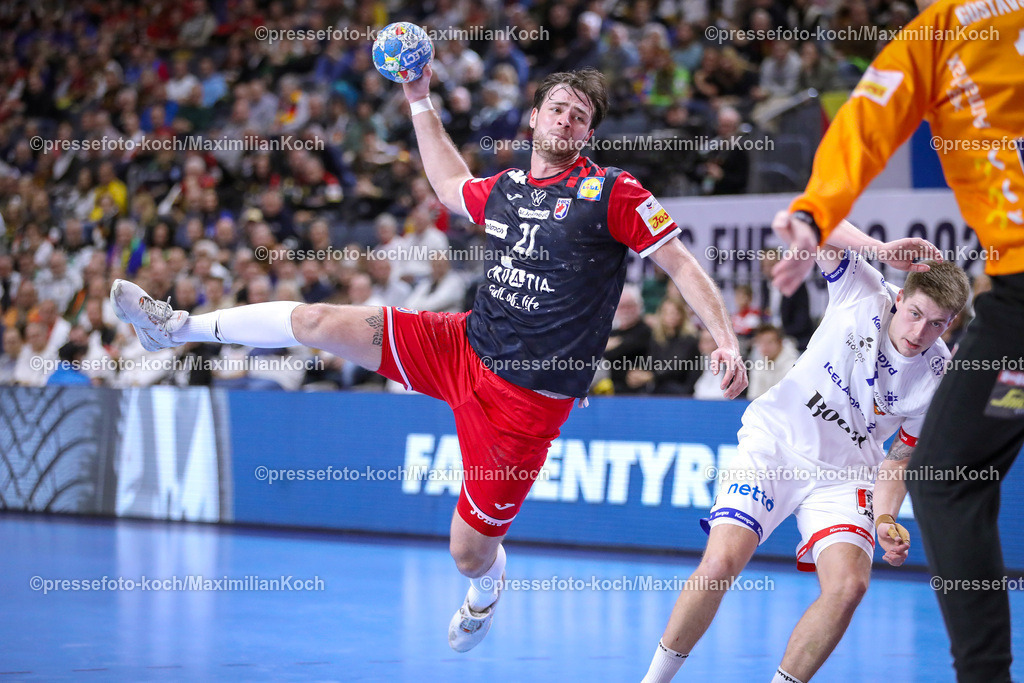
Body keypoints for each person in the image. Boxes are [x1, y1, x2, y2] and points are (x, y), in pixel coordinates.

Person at [110, 66, 748, 653]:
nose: (566, 120)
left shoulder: (614, 192)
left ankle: (487, 589)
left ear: (588, 135)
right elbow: (449, 185)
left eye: (580, 117)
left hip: (525, 404)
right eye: (557, 108)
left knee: (468, 552)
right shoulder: (508, 187)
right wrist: (418, 98)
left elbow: (680, 263)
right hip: (461, 344)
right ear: (534, 118)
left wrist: (724, 338)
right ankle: (177, 328)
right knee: (316, 321)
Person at [768, 0, 1024, 678]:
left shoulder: (943, 29)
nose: (920, 330)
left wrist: (812, 212)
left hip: (1020, 287)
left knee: (950, 481)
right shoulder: (866, 293)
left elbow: (866, 124)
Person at [642, 221, 968, 683]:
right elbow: (815, 221)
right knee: (721, 562)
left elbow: (899, 459)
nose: (920, 332)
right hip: (777, 443)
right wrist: (877, 248)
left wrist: (885, 518)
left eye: (937, 324)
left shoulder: (937, 377)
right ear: (901, 298)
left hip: (847, 474)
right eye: (915, 314)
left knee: (849, 587)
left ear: (950, 325)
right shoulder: (863, 290)